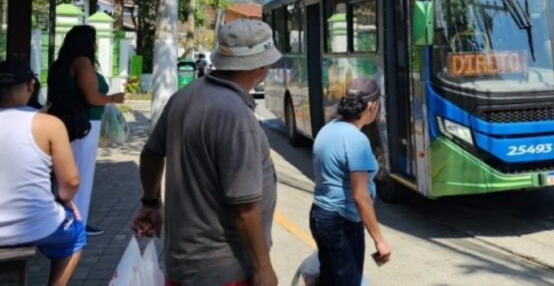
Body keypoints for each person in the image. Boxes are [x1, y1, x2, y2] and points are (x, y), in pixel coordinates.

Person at [133, 19, 282, 286]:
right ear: (261, 66)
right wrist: (263, 267)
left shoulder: (185, 96)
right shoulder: (236, 117)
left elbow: (152, 153)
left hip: (182, 264)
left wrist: (150, 202)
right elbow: (244, 204)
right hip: (225, 271)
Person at [0, 61, 86, 286]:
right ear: (30, 86)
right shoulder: (49, 124)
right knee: (76, 236)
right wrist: (64, 201)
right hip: (34, 224)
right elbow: (71, 180)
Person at [310, 78, 392, 286]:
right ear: (373, 106)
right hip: (342, 222)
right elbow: (360, 196)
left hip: (319, 216)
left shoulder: (329, 129)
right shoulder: (357, 141)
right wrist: (379, 240)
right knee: (348, 281)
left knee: (329, 279)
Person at [47, 25, 125, 237]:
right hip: (83, 125)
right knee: (80, 173)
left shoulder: (60, 65)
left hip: (64, 123)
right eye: (93, 40)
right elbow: (92, 97)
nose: (95, 44)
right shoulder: (82, 62)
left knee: (60, 173)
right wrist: (113, 98)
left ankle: (61, 218)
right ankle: (76, 221)